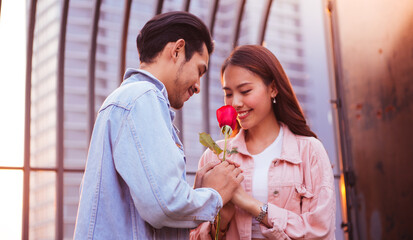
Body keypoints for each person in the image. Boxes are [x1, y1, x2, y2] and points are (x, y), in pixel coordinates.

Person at [74, 11, 244, 240]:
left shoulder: (130, 100)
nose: (198, 86)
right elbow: (164, 205)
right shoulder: (142, 99)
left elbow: (153, 202)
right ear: (177, 50)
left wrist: (194, 193)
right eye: (199, 70)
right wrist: (215, 195)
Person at [190, 45, 336, 239]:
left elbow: (320, 229)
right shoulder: (214, 156)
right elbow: (194, 234)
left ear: (273, 89)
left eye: (245, 90)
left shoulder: (309, 151)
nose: (235, 103)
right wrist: (221, 220)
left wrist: (248, 203)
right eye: (229, 93)